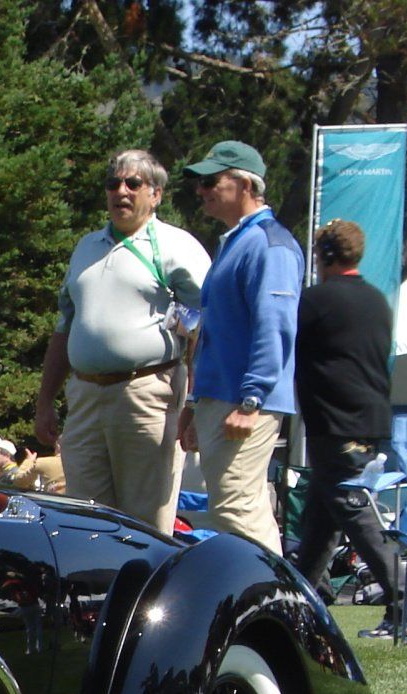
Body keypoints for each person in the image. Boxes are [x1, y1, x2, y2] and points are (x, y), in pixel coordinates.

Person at [37, 149, 210, 532]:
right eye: (113, 183)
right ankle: (101, 592)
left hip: (147, 394)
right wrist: (45, 402)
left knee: (145, 522)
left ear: (156, 194)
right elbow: (65, 326)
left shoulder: (176, 246)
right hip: (83, 397)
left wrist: (196, 402)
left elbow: (208, 325)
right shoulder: (86, 247)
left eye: (133, 183)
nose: (121, 191)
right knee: (87, 518)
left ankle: (148, 593)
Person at [180, 140, 302, 553]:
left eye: (211, 181)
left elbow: (275, 327)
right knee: (233, 511)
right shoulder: (237, 240)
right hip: (222, 399)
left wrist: (252, 401)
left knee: (238, 511)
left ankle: (276, 606)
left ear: (245, 184)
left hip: (245, 403)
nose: (201, 191)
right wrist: (197, 406)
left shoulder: (270, 244)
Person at [295, 220, 407, 639]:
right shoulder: (377, 301)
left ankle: (405, 602)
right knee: (320, 519)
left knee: (351, 506)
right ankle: (301, 600)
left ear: (324, 256)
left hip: (337, 423)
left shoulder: (318, 301)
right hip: (369, 419)